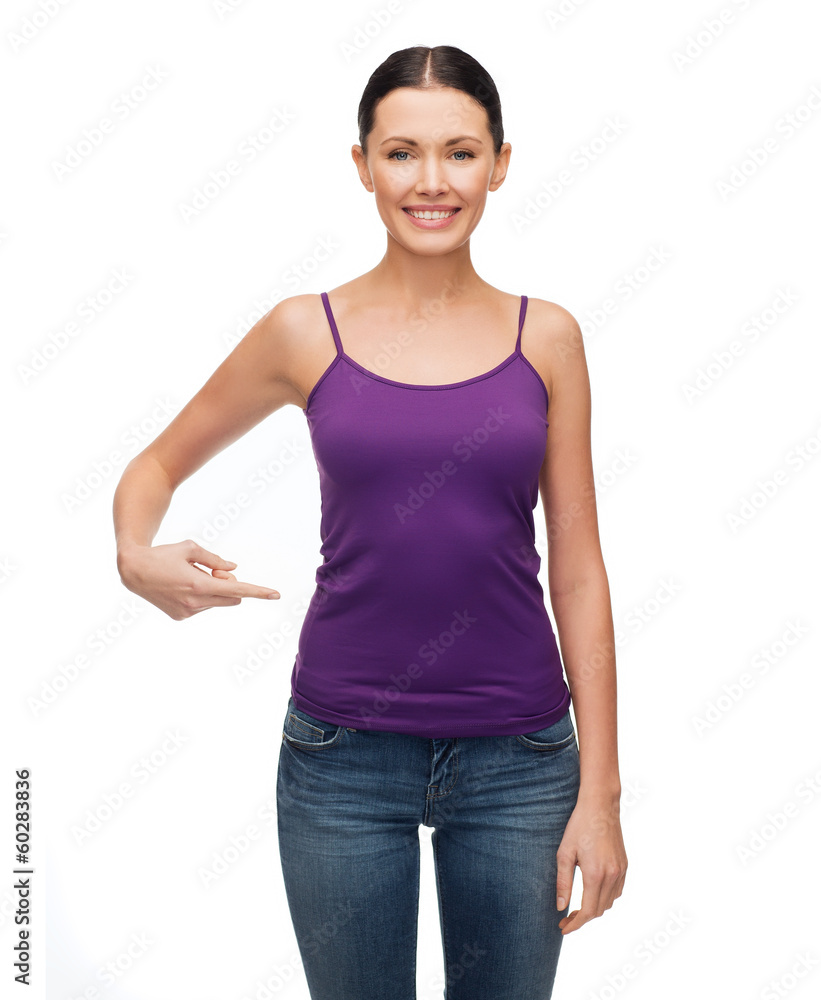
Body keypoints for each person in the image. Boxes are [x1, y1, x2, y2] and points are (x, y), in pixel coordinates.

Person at [113, 43, 627, 1000]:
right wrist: (135, 556)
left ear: (500, 164)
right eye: (401, 153)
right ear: (362, 165)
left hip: (520, 763)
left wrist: (600, 790)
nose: (430, 181)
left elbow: (581, 568)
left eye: (459, 153)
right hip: (341, 759)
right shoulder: (304, 331)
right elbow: (152, 468)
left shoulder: (546, 337)